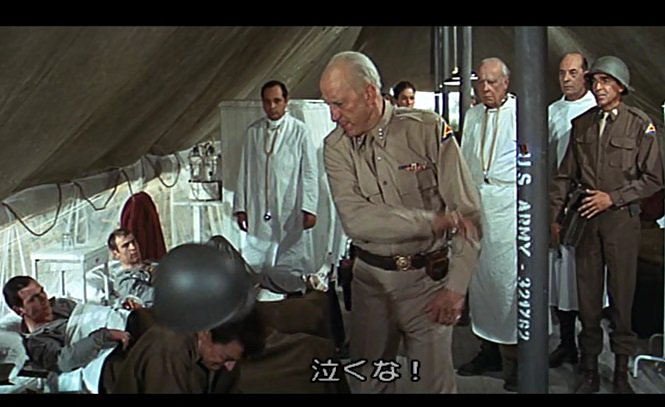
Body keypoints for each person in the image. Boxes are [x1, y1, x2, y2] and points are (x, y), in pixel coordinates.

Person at [320, 51, 481, 393]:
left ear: (368, 93)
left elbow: (467, 214)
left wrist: (456, 288)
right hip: (370, 286)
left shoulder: (426, 130)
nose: (333, 115)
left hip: (427, 285)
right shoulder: (335, 148)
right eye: (328, 105)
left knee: (434, 385)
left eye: (340, 104)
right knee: (370, 384)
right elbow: (356, 219)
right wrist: (433, 222)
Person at [550, 56, 663, 393]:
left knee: (621, 301)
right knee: (587, 302)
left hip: (621, 224)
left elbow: (654, 178)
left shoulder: (639, 124)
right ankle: (588, 370)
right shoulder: (582, 124)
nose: (598, 88)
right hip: (587, 221)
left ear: (621, 87)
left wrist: (613, 198)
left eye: (606, 82)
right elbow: (564, 176)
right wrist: (554, 218)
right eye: (595, 81)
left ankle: (621, 372)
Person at [458, 57, 518, 391]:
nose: (485, 88)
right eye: (480, 81)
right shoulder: (472, 116)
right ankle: (488, 350)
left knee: (507, 284)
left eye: (492, 82)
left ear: (506, 83)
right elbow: (465, 162)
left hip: (508, 209)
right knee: (481, 284)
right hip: (479, 206)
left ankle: (517, 358)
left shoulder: (521, 114)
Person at [233, 80, 319, 276]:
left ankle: (289, 289)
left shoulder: (299, 131)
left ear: (286, 101)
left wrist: (310, 208)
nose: (272, 106)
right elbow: (244, 171)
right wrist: (241, 208)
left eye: (277, 101)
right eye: (267, 101)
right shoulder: (253, 132)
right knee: (257, 258)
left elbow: (309, 172)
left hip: (290, 205)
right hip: (259, 206)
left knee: (290, 259)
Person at [547, 52, 598, 368]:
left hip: (588, 203)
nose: (566, 79)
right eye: (562, 73)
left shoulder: (595, 109)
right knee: (560, 278)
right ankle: (566, 343)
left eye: (573, 73)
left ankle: (590, 350)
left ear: (585, 75)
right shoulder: (552, 111)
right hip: (559, 202)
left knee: (587, 280)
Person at [112, 308, 266, 393]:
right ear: (205, 334)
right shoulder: (169, 350)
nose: (230, 367)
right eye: (226, 358)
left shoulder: (223, 355)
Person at [2, 276, 130, 375]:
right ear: (19, 310)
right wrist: (104, 335)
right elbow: (64, 361)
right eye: (33, 298)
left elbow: (95, 313)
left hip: (125, 322)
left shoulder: (62, 305)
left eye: (42, 291)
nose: (43, 298)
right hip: (114, 349)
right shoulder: (38, 341)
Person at [107, 228, 156, 310]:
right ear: (116, 254)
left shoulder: (151, 263)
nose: (133, 247)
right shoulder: (125, 282)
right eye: (126, 245)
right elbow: (156, 297)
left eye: (133, 242)